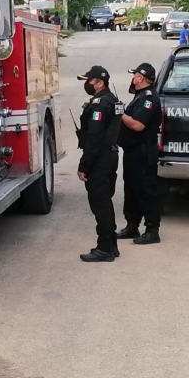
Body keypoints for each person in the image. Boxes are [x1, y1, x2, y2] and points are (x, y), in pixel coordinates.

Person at [76, 65, 125, 262]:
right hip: (111, 155)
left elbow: (94, 138)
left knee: (100, 203)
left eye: (89, 81)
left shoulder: (99, 104)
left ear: (99, 82)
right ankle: (111, 244)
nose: (87, 84)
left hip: (100, 158)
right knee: (105, 200)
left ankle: (104, 248)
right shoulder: (113, 100)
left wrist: (84, 165)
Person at [115, 63, 163, 245]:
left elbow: (138, 125)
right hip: (132, 151)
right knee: (132, 189)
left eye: (134, 75)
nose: (132, 78)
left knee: (146, 190)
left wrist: (120, 113)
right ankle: (132, 225)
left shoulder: (148, 99)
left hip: (143, 152)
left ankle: (152, 230)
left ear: (140, 78)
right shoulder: (140, 96)